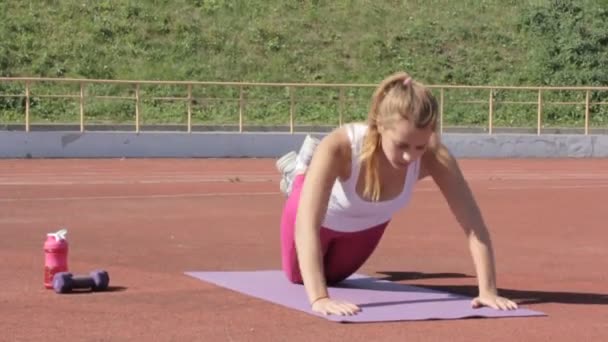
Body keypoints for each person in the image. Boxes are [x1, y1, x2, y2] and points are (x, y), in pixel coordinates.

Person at [275, 71, 518, 317]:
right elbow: (307, 224)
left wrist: (487, 290)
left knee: (334, 278)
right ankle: (298, 174)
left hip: (368, 226)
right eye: (401, 145)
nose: (409, 157)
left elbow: (473, 224)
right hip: (319, 216)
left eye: (419, 147)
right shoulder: (341, 147)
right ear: (380, 125)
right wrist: (319, 299)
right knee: (299, 278)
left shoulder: (434, 155)